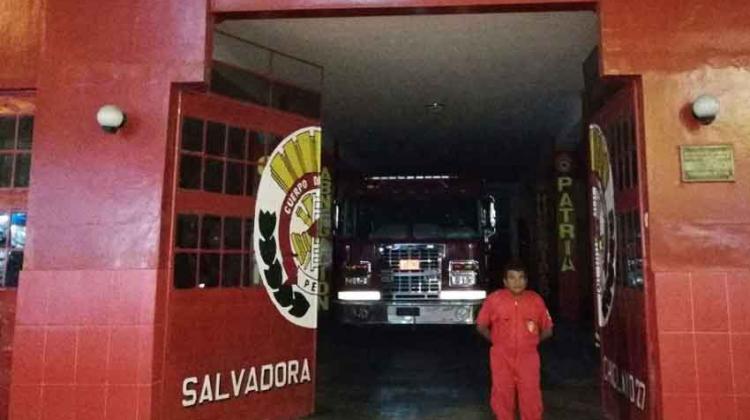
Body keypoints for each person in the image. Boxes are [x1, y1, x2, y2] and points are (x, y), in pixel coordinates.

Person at [476, 260, 553, 420]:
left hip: (528, 357)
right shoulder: (494, 300)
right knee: (502, 392)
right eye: (512, 278)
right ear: (505, 281)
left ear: (526, 281)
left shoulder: (535, 300)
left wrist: (532, 343)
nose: (517, 282)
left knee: (530, 394)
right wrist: (497, 342)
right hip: (501, 356)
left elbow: (548, 329)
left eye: (521, 277)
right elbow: (481, 326)